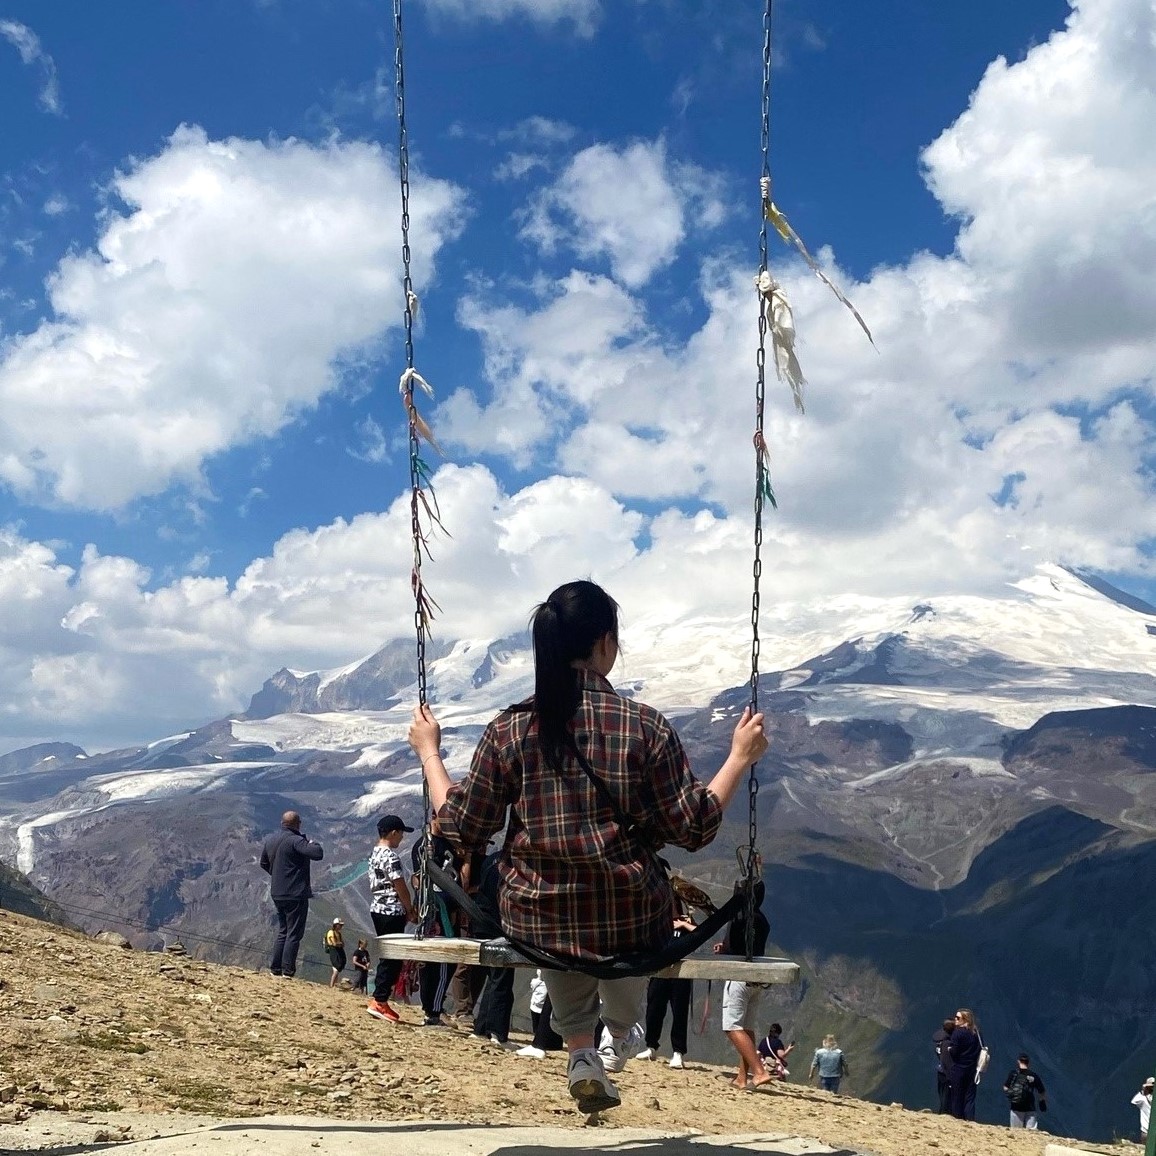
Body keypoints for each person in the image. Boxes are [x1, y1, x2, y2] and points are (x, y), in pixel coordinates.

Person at [407, 579, 768, 1114]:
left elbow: (462, 827)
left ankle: (580, 1049)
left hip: (537, 915)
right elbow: (693, 827)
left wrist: (429, 753)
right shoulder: (644, 726)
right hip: (630, 915)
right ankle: (617, 1033)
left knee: (550, 913)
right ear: (605, 643)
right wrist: (739, 757)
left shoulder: (510, 729)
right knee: (627, 927)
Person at [717, 879, 774, 1091]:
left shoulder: (739, 918)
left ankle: (759, 1071)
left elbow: (732, 947)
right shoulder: (762, 920)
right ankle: (742, 1077)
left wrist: (724, 949)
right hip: (757, 978)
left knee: (731, 1027)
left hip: (739, 977)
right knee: (747, 1028)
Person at [409, 817, 461, 1027]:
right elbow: (419, 880)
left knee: (441, 962)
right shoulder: (424, 845)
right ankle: (434, 1010)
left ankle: (432, 1007)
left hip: (448, 907)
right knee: (439, 961)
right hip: (434, 909)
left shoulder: (449, 845)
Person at [365, 814, 417, 1023]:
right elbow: (399, 884)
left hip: (377, 907)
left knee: (387, 955)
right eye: (401, 833)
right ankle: (380, 1000)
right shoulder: (391, 857)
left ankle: (381, 999)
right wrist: (410, 908)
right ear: (394, 833)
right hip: (392, 910)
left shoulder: (374, 853)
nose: (402, 838)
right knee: (392, 958)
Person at [260, 810, 323, 979]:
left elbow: (263, 863)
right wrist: (313, 843)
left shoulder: (271, 840)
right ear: (297, 824)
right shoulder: (296, 840)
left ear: (282, 823)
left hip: (277, 892)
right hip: (295, 893)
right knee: (294, 933)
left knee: (283, 930)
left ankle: (276, 968)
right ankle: (288, 970)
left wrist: (278, 875)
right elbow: (317, 854)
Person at [638, 906, 696, 1068]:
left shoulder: (686, 920)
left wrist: (684, 925)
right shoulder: (658, 920)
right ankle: (651, 1046)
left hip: (681, 973)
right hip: (659, 971)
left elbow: (700, 933)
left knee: (679, 1012)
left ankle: (678, 1052)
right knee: (654, 1010)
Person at [947, 1008, 982, 1121]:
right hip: (972, 1070)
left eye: (958, 1018)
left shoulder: (958, 1033)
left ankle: (958, 1120)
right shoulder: (976, 1033)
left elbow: (954, 1052)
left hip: (959, 1069)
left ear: (965, 1020)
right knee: (970, 1098)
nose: (955, 1019)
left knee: (957, 1097)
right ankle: (970, 1120)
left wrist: (949, 1049)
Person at [1003, 1052, 1047, 1129]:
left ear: (1018, 1061)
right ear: (1028, 1063)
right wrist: (1041, 1102)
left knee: (1016, 1132)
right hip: (1030, 1108)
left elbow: (1005, 1087)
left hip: (1016, 1107)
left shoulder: (1013, 1074)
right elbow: (1041, 1091)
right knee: (1031, 1132)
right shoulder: (1033, 1076)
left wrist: (1012, 1093)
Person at [932, 1017, 955, 1113]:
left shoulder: (939, 1041)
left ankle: (942, 1112)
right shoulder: (947, 1044)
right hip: (946, 1074)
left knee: (942, 1097)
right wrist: (950, 1078)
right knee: (947, 1099)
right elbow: (948, 1062)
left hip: (940, 1071)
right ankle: (944, 1113)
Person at [324, 918, 346, 988]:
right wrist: (339, 944)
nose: (341, 926)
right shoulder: (331, 932)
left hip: (338, 951)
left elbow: (342, 944)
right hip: (334, 951)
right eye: (340, 925)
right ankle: (331, 985)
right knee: (336, 968)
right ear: (336, 925)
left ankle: (334, 985)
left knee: (337, 968)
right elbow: (334, 943)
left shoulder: (339, 934)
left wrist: (339, 944)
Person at [1132, 1076, 1154, 1143]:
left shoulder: (1143, 1099)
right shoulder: (1143, 1099)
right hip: (1146, 1132)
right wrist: (1143, 1092)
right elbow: (1134, 1101)